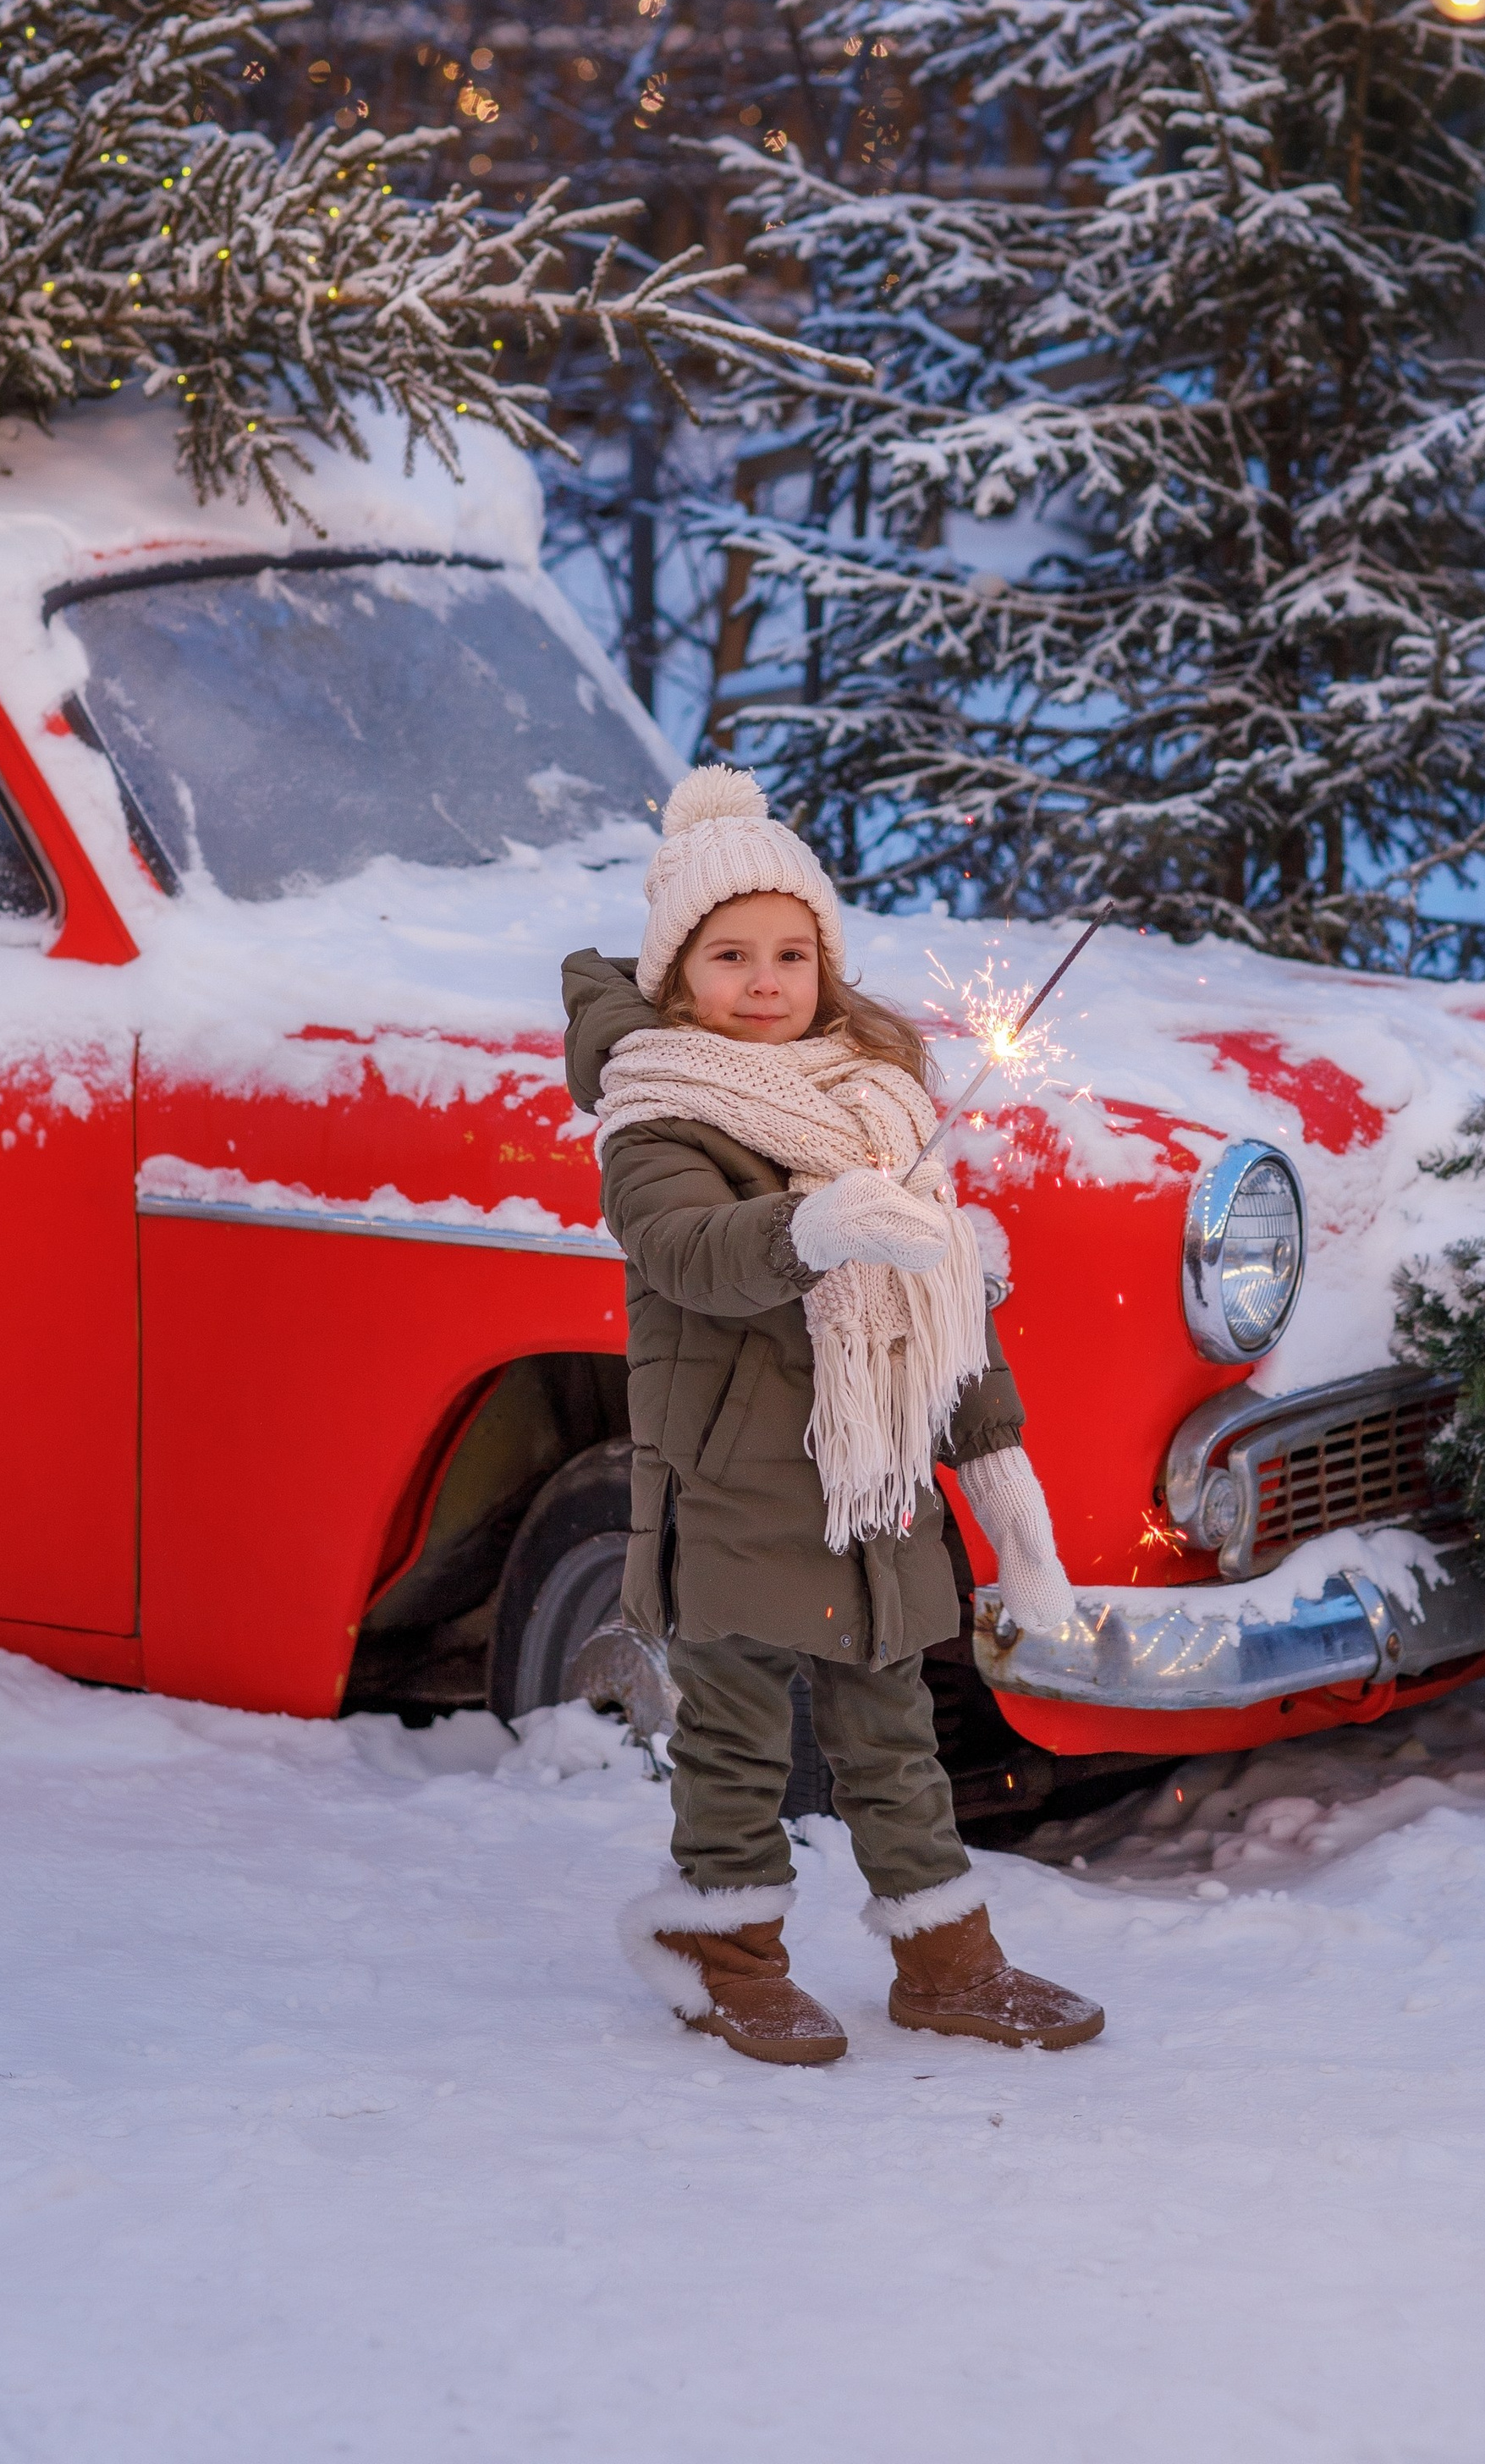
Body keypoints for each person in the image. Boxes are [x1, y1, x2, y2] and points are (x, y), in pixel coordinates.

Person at [560, 764, 1103, 2069]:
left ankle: (945, 1962)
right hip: (736, 1488)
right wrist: (815, 1225)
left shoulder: (877, 1102)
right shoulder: (655, 1117)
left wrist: (1012, 1503)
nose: (765, 979)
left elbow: (939, 1331)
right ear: (676, 974)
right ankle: (726, 1949)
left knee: (896, 1740)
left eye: (791, 952)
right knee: (737, 1746)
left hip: (871, 1497)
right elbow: (693, 1253)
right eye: (730, 953)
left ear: (826, 962)